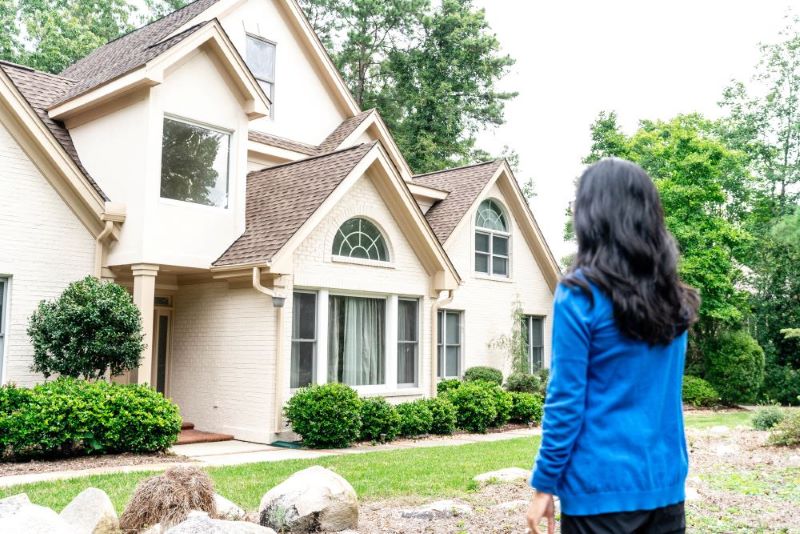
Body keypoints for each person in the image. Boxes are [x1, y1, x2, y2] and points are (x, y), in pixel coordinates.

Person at [526, 158, 700, 534]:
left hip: (599, 493)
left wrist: (544, 483)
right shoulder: (675, 300)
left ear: (593, 215)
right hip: (665, 490)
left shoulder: (579, 294)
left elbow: (566, 399)